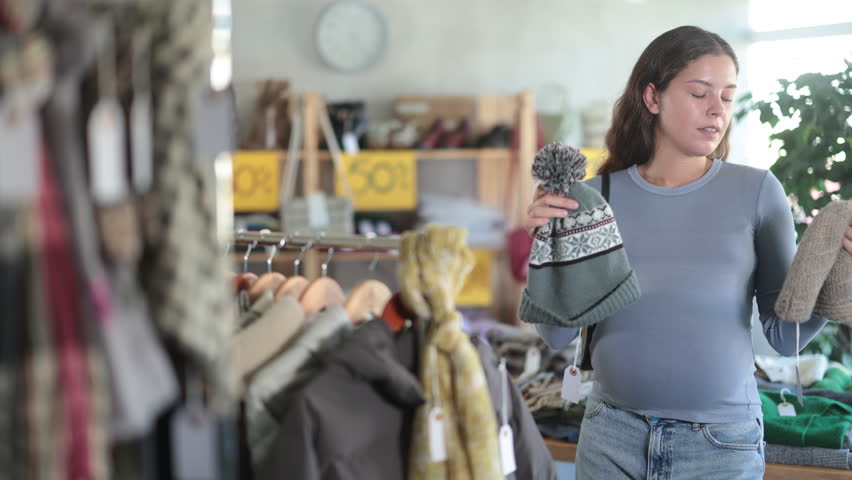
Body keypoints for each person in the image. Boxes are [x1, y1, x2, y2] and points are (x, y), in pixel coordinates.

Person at [523, 25, 852, 480]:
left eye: (728, 96)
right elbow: (557, 336)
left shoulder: (757, 192)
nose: (717, 110)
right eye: (699, 93)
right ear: (652, 97)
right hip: (610, 439)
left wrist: (840, 271)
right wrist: (545, 249)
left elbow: (784, 336)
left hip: (720, 447)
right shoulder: (595, 198)